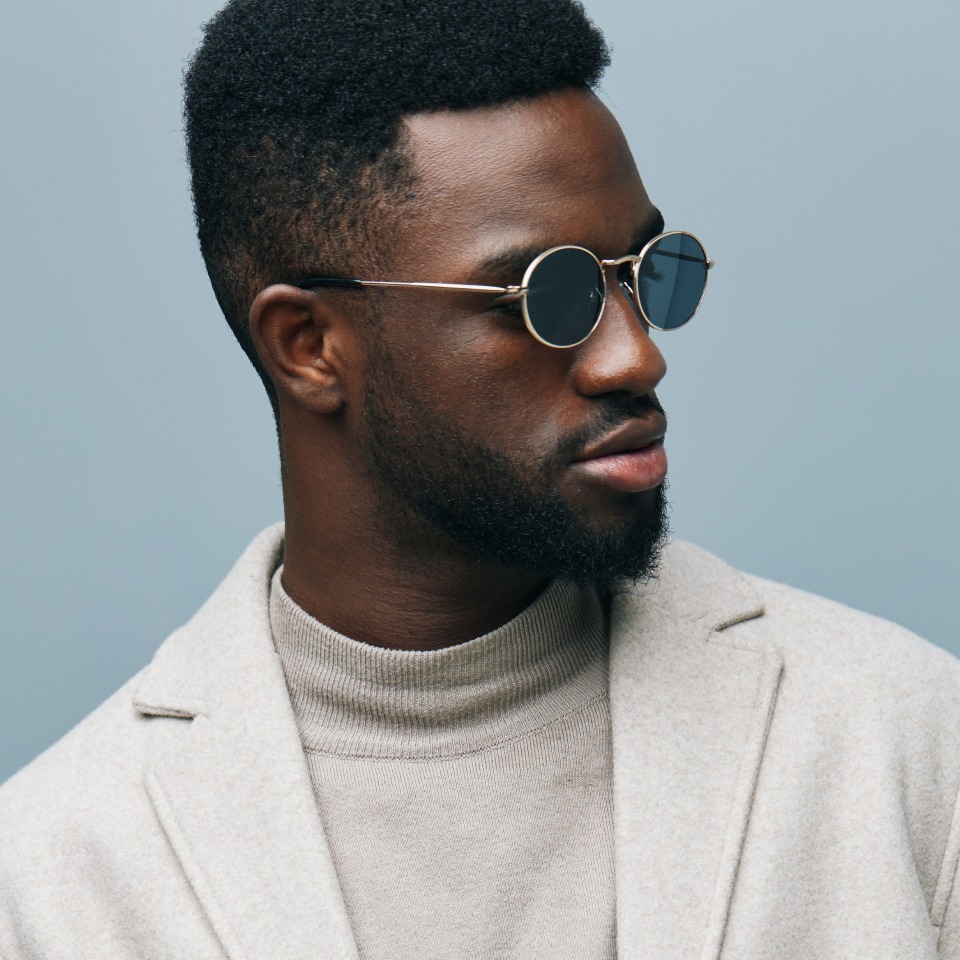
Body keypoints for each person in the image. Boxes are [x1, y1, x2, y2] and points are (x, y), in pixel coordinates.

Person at [1, 0, 958, 956]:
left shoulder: (903, 739)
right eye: (551, 293)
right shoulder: (53, 876)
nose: (634, 357)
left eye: (645, 272)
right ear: (308, 347)